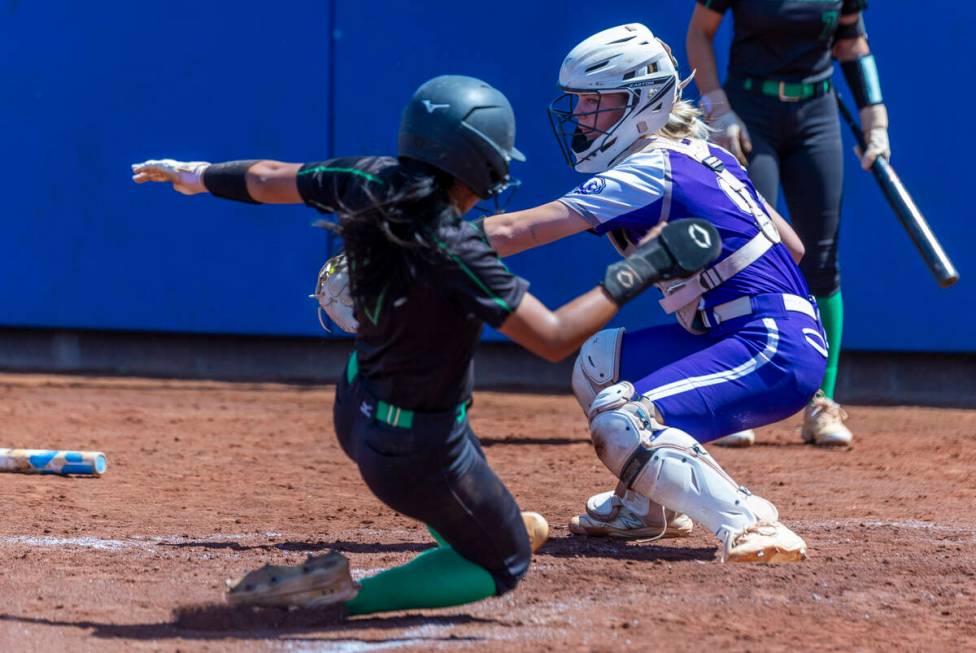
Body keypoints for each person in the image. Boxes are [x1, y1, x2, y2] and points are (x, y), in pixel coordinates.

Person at [131, 75, 724, 615]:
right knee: (503, 561)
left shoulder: (367, 178)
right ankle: (340, 598)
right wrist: (646, 264)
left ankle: (474, 520)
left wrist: (198, 175)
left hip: (356, 411)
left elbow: (264, 178)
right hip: (415, 454)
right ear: (480, 164)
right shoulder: (456, 247)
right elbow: (552, 338)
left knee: (469, 478)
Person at [482, 23, 822, 549]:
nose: (580, 116)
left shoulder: (649, 168)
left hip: (770, 347)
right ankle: (645, 507)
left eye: (596, 102)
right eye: (579, 102)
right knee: (600, 365)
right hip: (758, 332)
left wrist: (409, 233)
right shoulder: (704, 154)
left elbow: (514, 231)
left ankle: (752, 523)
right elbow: (793, 249)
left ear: (641, 103)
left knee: (622, 420)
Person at [687, 0, 886, 447]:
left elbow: (852, 42)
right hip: (748, 112)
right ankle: (730, 402)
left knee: (820, 256)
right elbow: (699, 33)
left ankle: (821, 404)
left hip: (815, 115)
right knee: (744, 254)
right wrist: (717, 108)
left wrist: (876, 116)